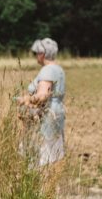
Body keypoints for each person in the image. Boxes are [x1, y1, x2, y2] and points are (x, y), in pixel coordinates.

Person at [17, 38, 66, 167]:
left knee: (43, 157)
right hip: (57, 113)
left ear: (42, 54)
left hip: (46, 116)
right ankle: (52, 186)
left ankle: (42, 185)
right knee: (53, 154)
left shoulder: (47, 70)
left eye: (37, 53)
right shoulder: (58, 69)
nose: (36, 56)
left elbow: (43, 95)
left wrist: (26, 99)